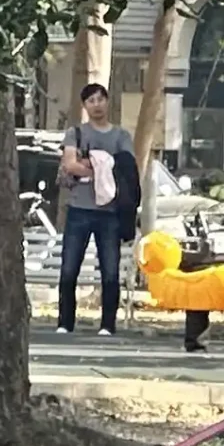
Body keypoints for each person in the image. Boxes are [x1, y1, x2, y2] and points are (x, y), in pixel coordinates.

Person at [56, 83, 138, 336]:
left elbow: (124, 167)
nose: (97, 104)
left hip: (110, 212)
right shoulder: (76, 133)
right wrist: (100, 167)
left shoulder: (121, 136)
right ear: (85, 106)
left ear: (107, 101)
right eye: (91, 100)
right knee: (69, 268)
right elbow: (70, 165)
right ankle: (65, 322)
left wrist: (91, 165)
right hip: (79, 209)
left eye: (101, 99)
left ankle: (108, 324)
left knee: (110, 270)